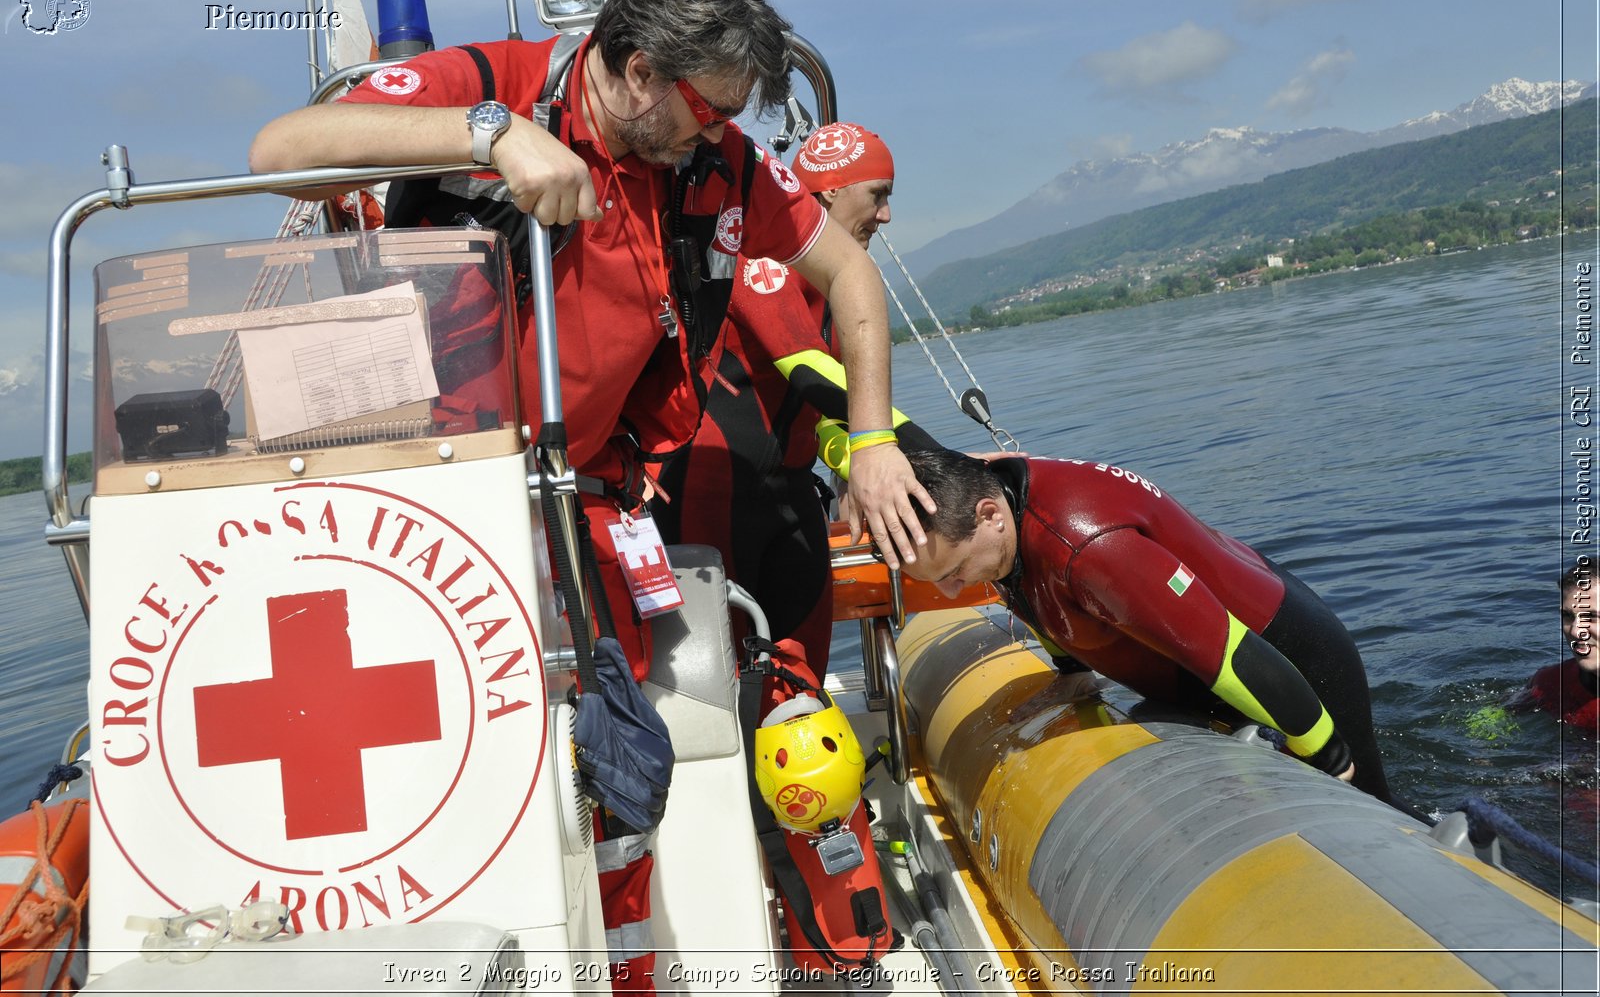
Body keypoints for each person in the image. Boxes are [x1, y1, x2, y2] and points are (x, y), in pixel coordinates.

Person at [247, 0, 929, 990]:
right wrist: (488, 137)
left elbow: (847, 274)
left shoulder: (717, 166)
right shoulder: (493, 84)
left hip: (593, 500)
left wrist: (874, 441)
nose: (723, 132)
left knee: (620, 764)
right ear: (641, 69)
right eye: (710, 107)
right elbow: (282, 147)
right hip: (439, 497)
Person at [895, 448, 1412, 808]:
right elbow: (1033, 585)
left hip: (1282, 655)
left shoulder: (1090, 550)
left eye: (953, 571)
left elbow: (1230, 653)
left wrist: (1328, 752)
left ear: (990, 515)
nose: (950, 592)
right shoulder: (989, 498)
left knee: (1372, 805)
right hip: (1209, 660)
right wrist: (1072, 668)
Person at [653, 123, 931, 673]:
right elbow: (809, 373)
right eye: (878, 195)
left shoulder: (836, 282)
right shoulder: (764, 254)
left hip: (793, 499)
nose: (887, 216)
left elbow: (820, 418)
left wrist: (860, 465)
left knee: (802, 676)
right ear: (829, 192)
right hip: (710, 500)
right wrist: (934, 459)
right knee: (724, 688)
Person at [1520, 563, 1600, 731]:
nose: (1575, 630)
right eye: (1567, 616)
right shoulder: (1549, 684)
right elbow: (1494, 718)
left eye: (1591, 616)